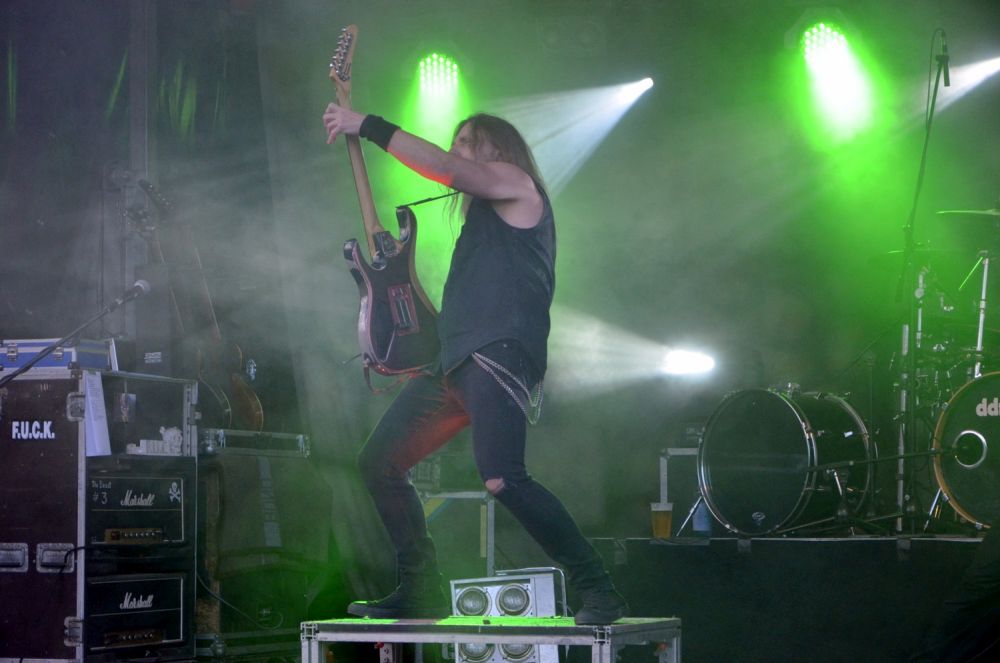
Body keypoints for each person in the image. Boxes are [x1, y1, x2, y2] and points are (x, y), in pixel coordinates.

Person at [322, 104, 629, 625]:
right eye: (456, 140)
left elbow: (449, 169)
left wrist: (367, 126)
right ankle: (421, 588)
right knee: (379, 461)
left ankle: (599, 589)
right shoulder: (481, 226)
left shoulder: (519, 185)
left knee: (503, 478)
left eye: (467, 140)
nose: (456, 148)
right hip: (453, 362)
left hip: (497, 355)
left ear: (498, 149)